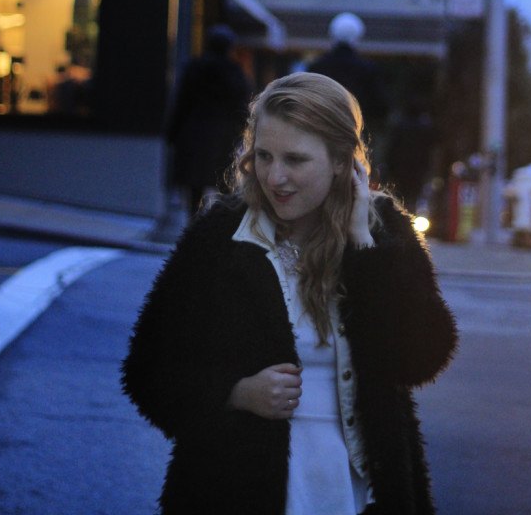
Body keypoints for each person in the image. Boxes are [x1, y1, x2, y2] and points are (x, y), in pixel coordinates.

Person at [122, 71, 458, 515]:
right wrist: (236, 393)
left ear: (341, 161)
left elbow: (424, 357)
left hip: (357, 492)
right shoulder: (220, 237)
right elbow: (148, 372)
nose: (275, 177)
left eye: (295, 160)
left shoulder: (383, 231)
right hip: (234, 489)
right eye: (263, 156)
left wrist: (362, 247)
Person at [164, 24, 252, 215]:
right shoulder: (234, 72)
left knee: (194, 186)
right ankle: (220, 226)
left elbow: (181, 102)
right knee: (225, 183)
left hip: (194, 132)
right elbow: (242, 106)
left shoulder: (194, 68)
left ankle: (193, 222)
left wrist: (171, 133)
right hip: (224, 134)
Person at [307, 12, 388, 137]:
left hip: (323, 132)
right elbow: (380, 105)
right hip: (356, 132)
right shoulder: (368, 68)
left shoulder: (318, 66)